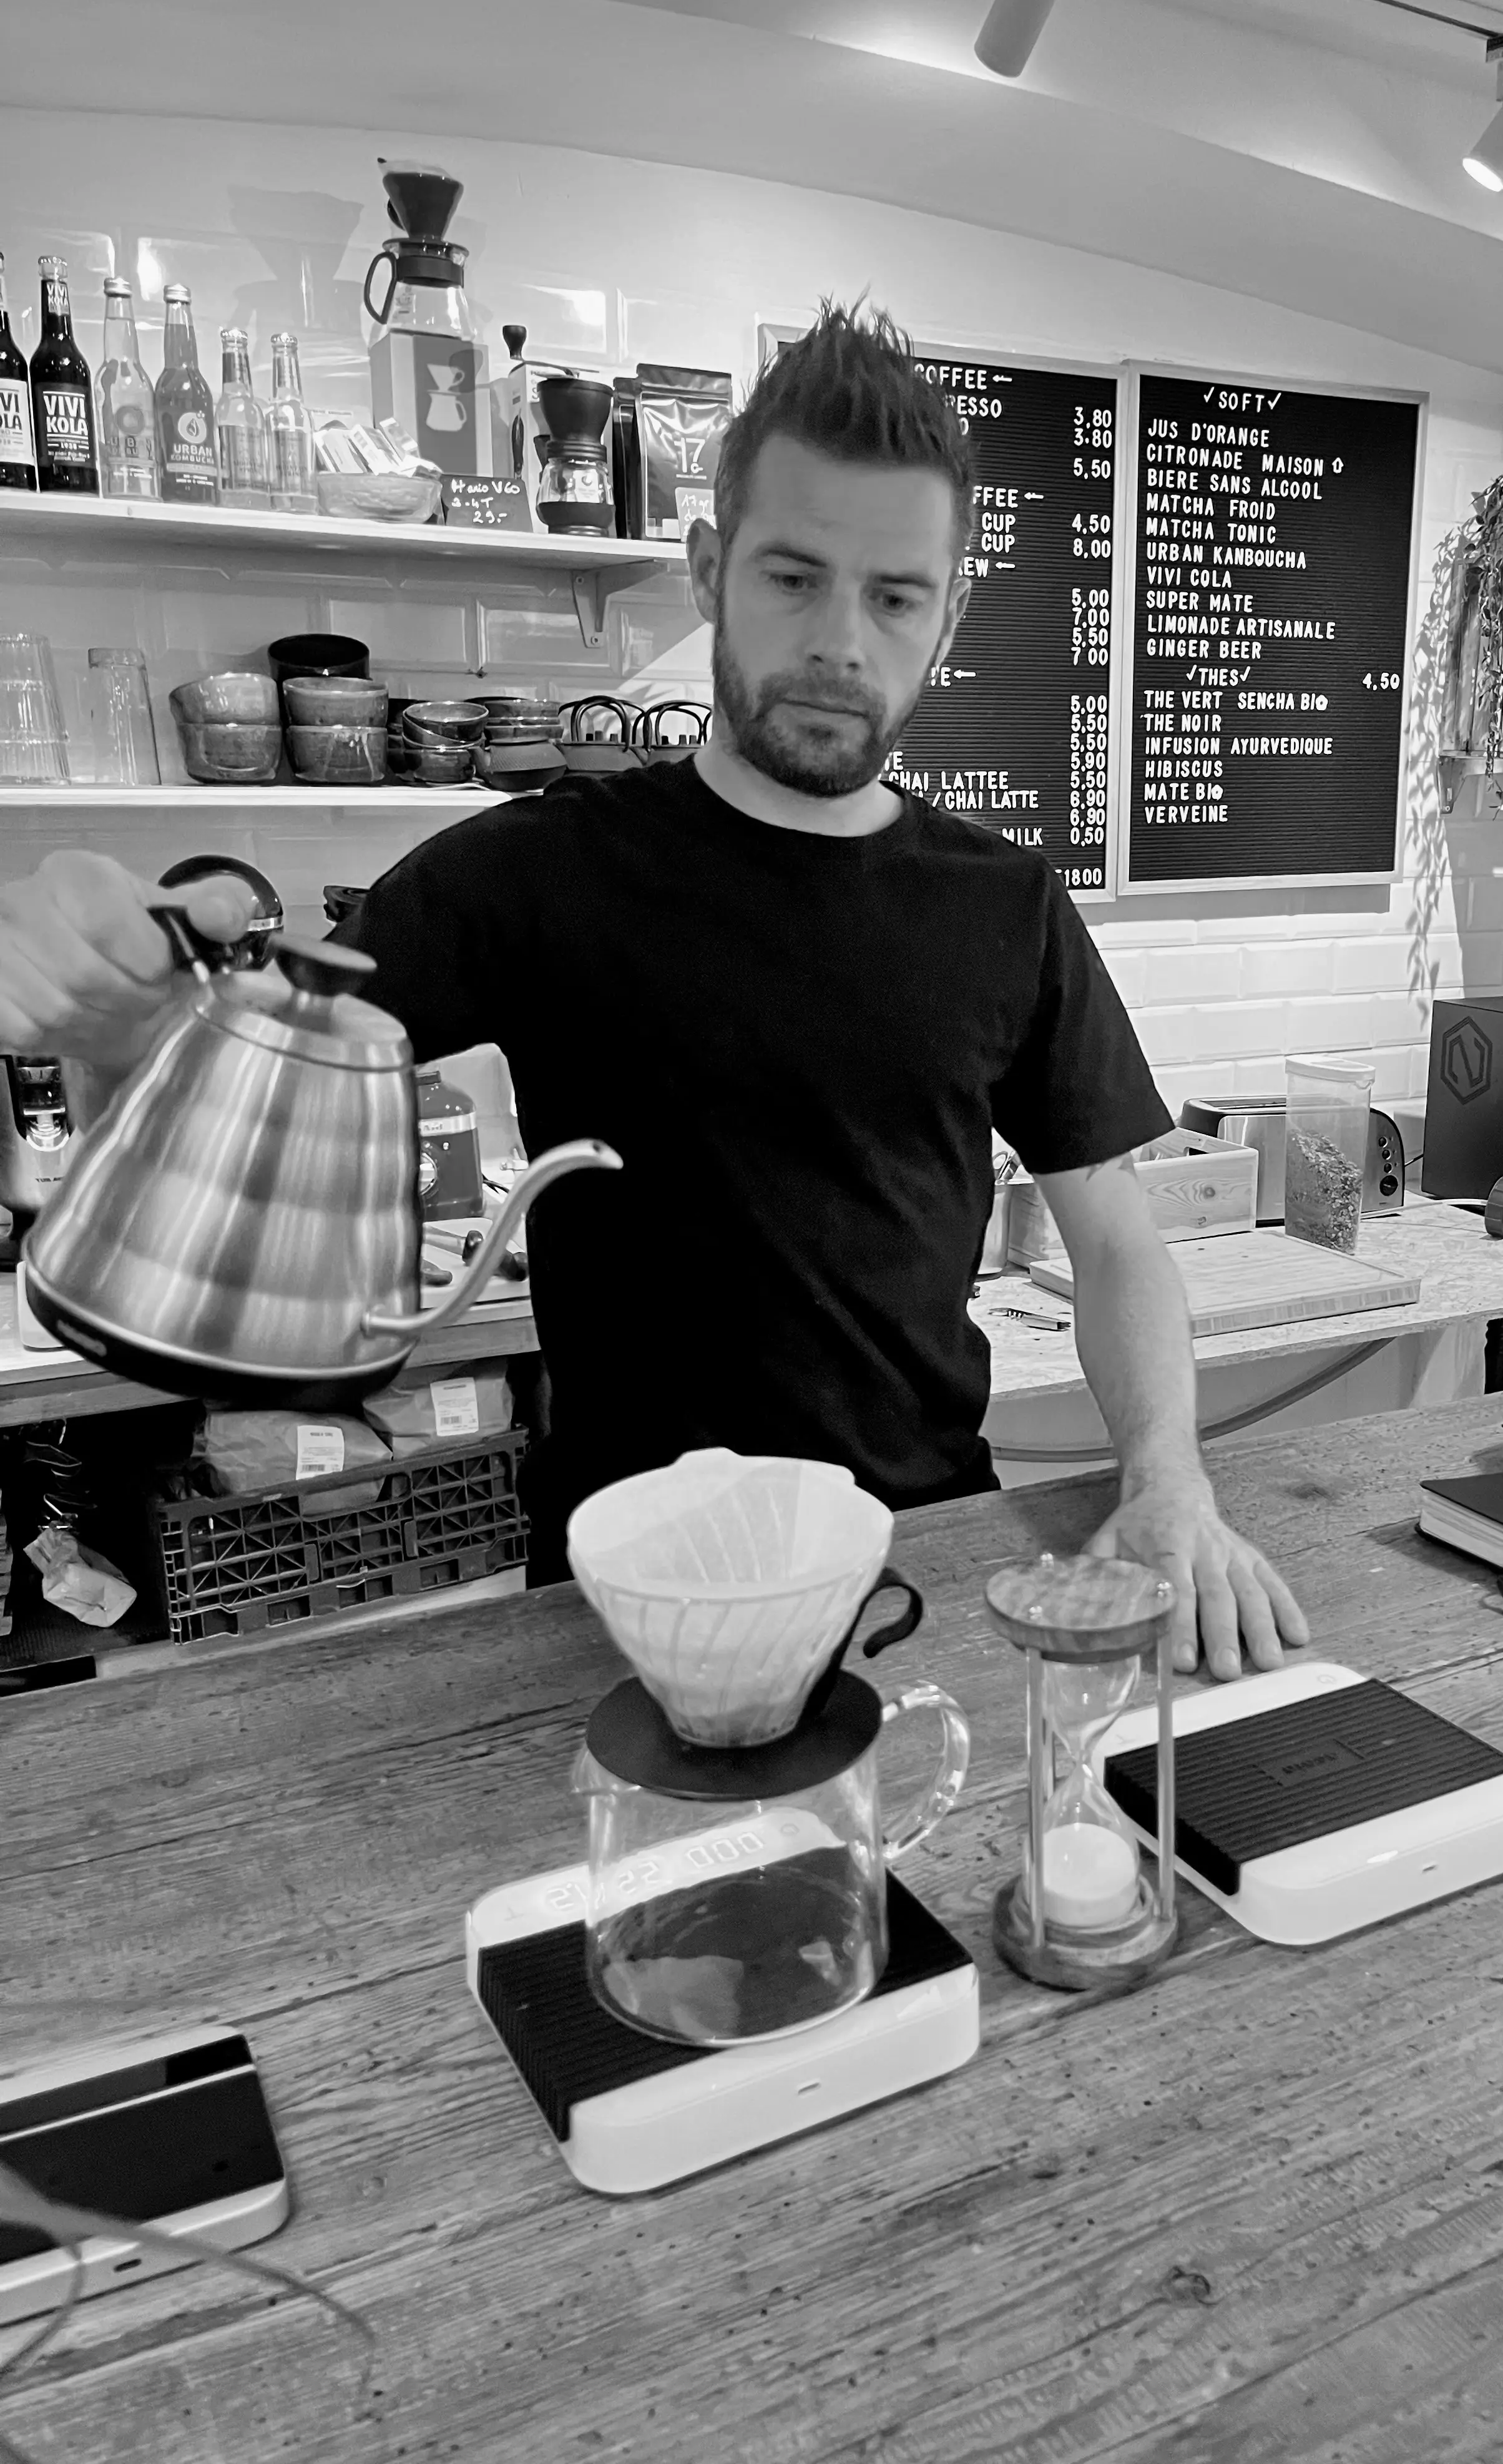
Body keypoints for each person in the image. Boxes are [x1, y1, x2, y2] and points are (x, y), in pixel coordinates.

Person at [0, 300, 1306, 1678]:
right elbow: (255, 1078)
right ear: (709, 569)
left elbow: (1119, 1243)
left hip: (913, 1557)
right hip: (619, 1599)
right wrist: (120, 1013)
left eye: (894, 596)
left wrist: (1169, 1482)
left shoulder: (1008, 906)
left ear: (949, 613)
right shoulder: (532, 873)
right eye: (794, 576)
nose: (842, 641)